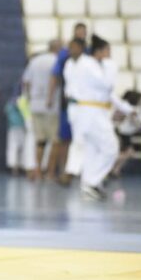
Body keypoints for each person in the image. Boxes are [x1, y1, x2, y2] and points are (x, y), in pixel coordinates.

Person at [64, 36, 131, 200]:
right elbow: (107, 85)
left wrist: (127, 109)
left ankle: (89, 184)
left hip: (94, 112)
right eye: (108, 51)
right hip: (90, 112)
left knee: (93, 150)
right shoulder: (88, 64)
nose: (110, 55)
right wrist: (111, 66)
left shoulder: (95, 65)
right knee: (111, 148)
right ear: (99, 51)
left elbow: (109, 95)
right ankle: (91, 182)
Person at [48, 22, 87, 185]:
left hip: (87, 105)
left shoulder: (90, 55)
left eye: (83, 32)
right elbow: (55, 76)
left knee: (84, 139)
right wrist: (49, 97)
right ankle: (64, 169)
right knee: (65, 138)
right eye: (79, 32)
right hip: (68, 105)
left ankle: (81, 171)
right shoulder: (65, 56)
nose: (81, 34)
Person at [23, 40, 62, 181]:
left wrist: (30, 98)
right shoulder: (57, 61)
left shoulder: (35, 61)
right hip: (52, 105)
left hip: (35, 104)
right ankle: (50, 173)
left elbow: (26, 81)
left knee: (40, 140)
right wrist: (50, 99)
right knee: (55, 140)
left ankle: (38, 170)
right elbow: (56, 80)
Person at [112, 90, 141, 177]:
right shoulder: (129, 108)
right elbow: (134, 122)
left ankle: (115, 169)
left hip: (125, 132)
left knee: (126, 152)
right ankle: (112, 166)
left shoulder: (129, 107)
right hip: (124, 132)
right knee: (129, 152)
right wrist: (139, 125)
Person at [5, 96, 26, 176]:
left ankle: (17, 167)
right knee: (16, 148)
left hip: (18, 127)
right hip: (16, 128)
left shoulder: (10, 104)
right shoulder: (20, 102)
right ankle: (16, 167)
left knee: (17, 148)